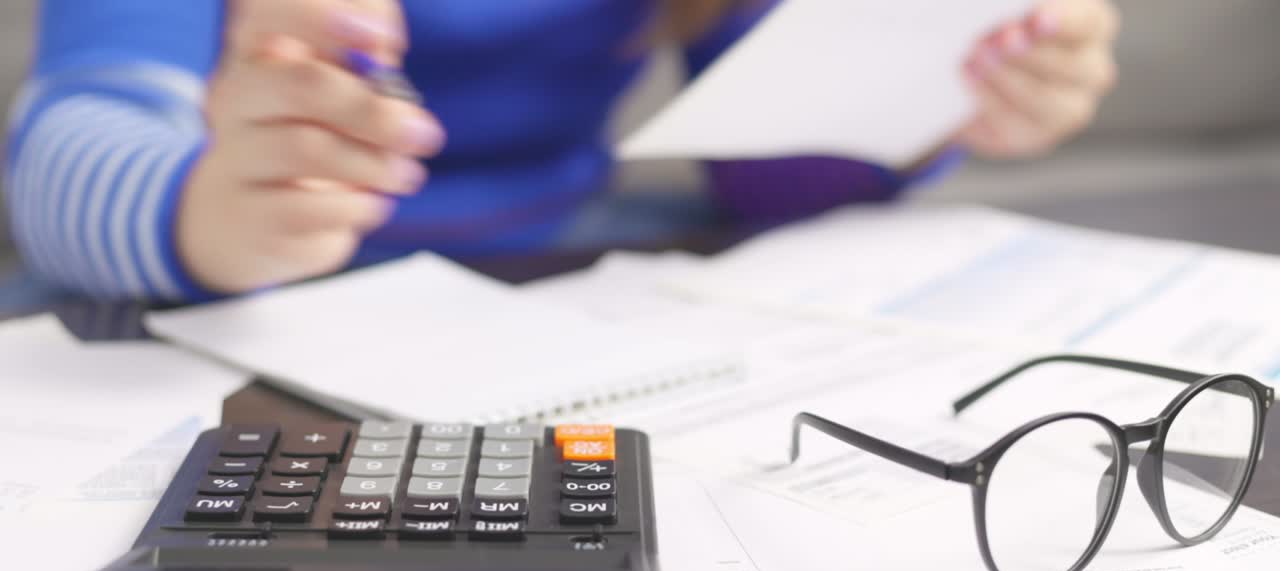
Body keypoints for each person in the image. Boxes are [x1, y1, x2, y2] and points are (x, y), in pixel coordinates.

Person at [3, 0, 1119, 302]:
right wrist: (202, 211)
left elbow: (771, 170)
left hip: (563, 272)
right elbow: (61, 154)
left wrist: (940, 93)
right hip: (220, 301)